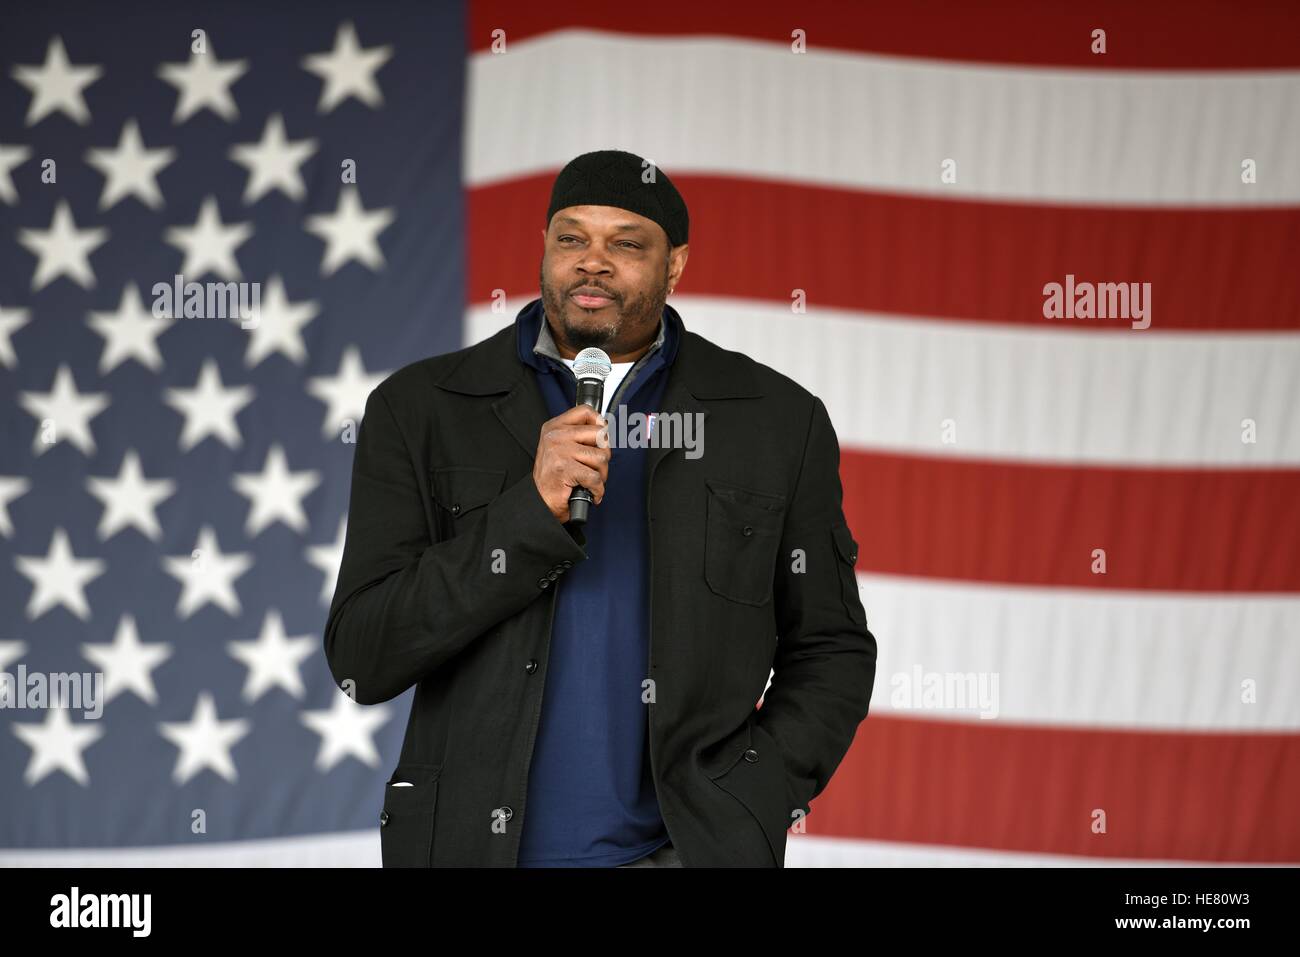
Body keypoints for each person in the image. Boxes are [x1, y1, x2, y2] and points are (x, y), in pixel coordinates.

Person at [324, 149, 877, 867]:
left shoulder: (772, 420)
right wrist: (527, 512)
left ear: (675, 265)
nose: (593, 262)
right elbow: (363, 657)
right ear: (545, 248)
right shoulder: (423, 408)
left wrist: (753, 796)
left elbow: (831, 648)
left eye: (625, 243)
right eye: (572, 238)